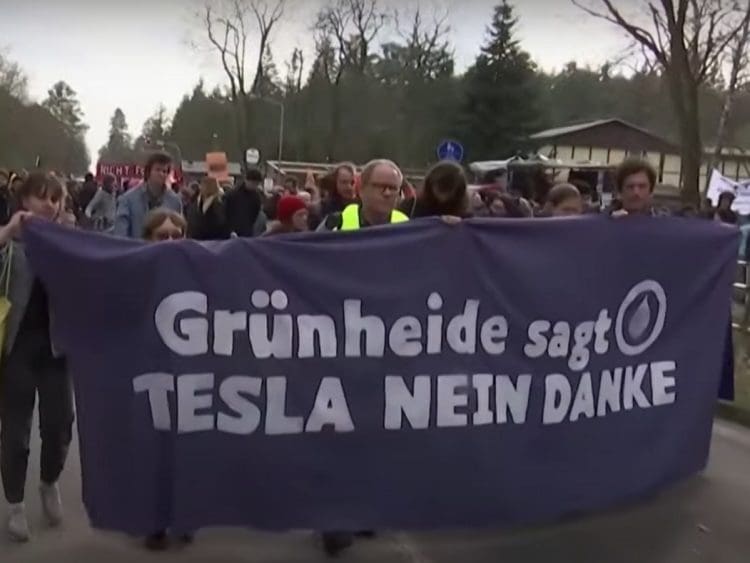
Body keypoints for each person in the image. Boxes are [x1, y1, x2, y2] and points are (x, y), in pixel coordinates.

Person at [0, 173, 74, 543]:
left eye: (56, 198)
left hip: (57, 349)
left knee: (59, 424)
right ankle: (15, 504)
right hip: (16, 348)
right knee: (15, 433)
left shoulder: (70, 242)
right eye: (42, 197)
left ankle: (49, 482)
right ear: (24, 200)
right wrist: (9, 231)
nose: (50, 204)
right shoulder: (12, 242)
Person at [140, 208, 192, 550]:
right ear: (147, 240)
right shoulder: (133, 272)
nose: (171, 242)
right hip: (148, 373)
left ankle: (186, 515)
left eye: (177, 236)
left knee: (187, 447)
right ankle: (154, 520)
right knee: (152, 448)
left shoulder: (198, 271)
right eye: (163, 237)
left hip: (188, 375)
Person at [318, 159, 409, 233]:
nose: (387, 193)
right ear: (361, 189)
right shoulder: (336, 223)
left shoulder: (406, 227)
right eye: (380, 186)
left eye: (393, 188)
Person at [113, 153, 182, 238]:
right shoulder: (128, 199)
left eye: (165, 171)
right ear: (148, 172)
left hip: (164, 249)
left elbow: (180, 231)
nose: (161, 174)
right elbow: (120, 233)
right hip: (137, 249)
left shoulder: (175, 201)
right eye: (158, 170)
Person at [399, 161, 469, 218]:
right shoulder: (411, 208)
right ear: (430, 184)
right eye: (440, 188)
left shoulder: (465, 214)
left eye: (448, 189)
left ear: (458, 190)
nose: (443, 196)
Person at [225, 168, 264, 238]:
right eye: (253, 183)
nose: (254, 186)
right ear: (246, 180)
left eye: (257, 184)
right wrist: (230, 230)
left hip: (247, 231)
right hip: (232, 232)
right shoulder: (233, 194)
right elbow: (225, 212)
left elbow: (255, 214)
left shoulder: (256, 197)